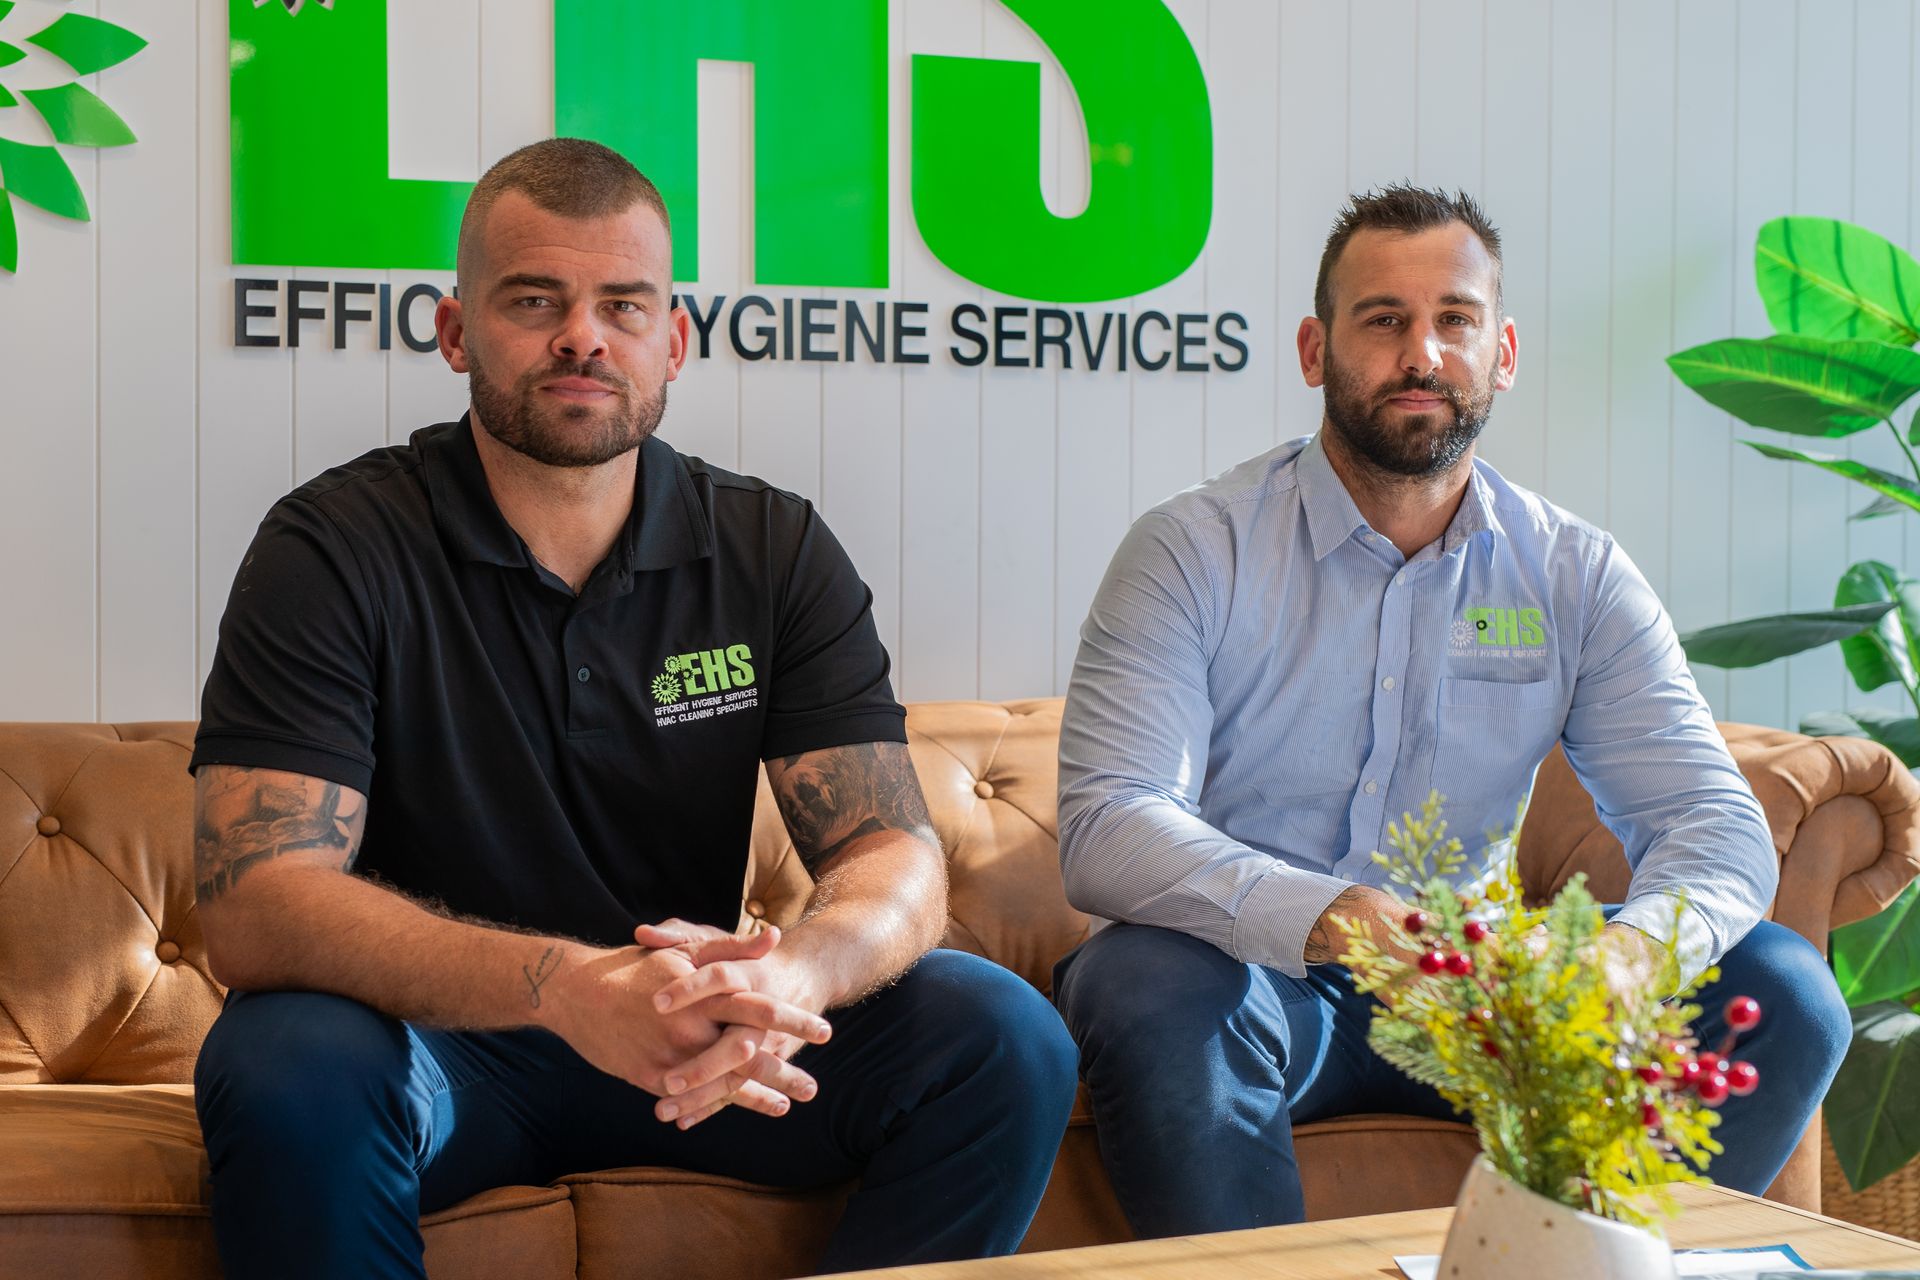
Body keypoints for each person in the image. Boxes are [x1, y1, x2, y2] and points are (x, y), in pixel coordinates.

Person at [190, 137, 1077, 1279]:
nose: (583, 336)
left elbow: (889, 852)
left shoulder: (772, 548)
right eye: (534, 301)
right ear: (455, 332)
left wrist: (795, 974)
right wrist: (565, 986)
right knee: (282, 1059)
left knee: (1001, 1033)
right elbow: (256, 904)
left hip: (698, 1042)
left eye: (623, 304)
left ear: (675, 340)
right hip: (445, 1052)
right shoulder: (334, 547)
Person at [1052, 184, 1851, 1238]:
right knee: (1141, 979)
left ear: (1501, 353)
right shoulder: (1196, 549)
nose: (1421, 353)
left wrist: (1628, 955)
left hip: (1485, 999)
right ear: (1315, 350)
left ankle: (1606, 1263)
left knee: (1785, 986)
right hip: (1253, 984)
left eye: (1455, 320)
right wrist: (1342, 916)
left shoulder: (1573, 573)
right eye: (1383, 319)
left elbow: (1714, 824)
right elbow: (1110, 823)